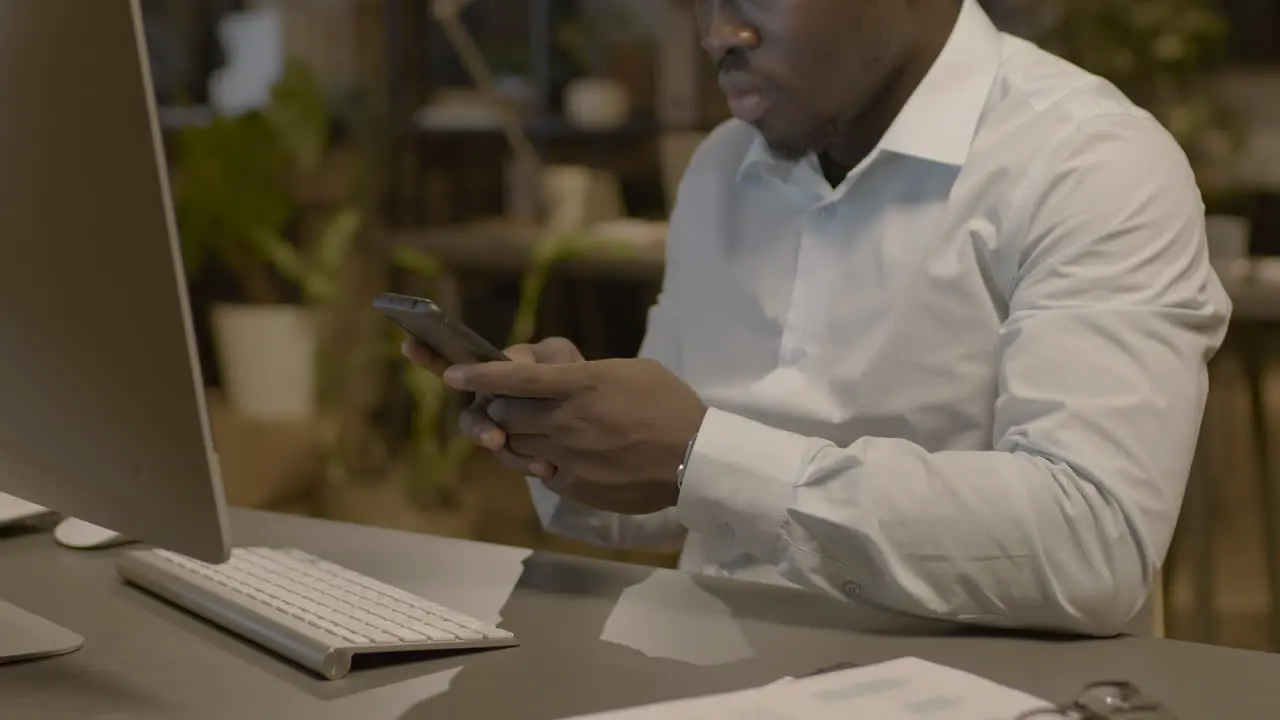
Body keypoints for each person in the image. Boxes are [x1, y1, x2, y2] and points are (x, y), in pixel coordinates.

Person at [405, 0, 1232, 635]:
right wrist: (571, 438)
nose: (716, 31)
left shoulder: (1087, 164)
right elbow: (669, 496)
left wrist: (703, 449)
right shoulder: (721, 170)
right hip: (710, 669)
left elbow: (1094, 547)